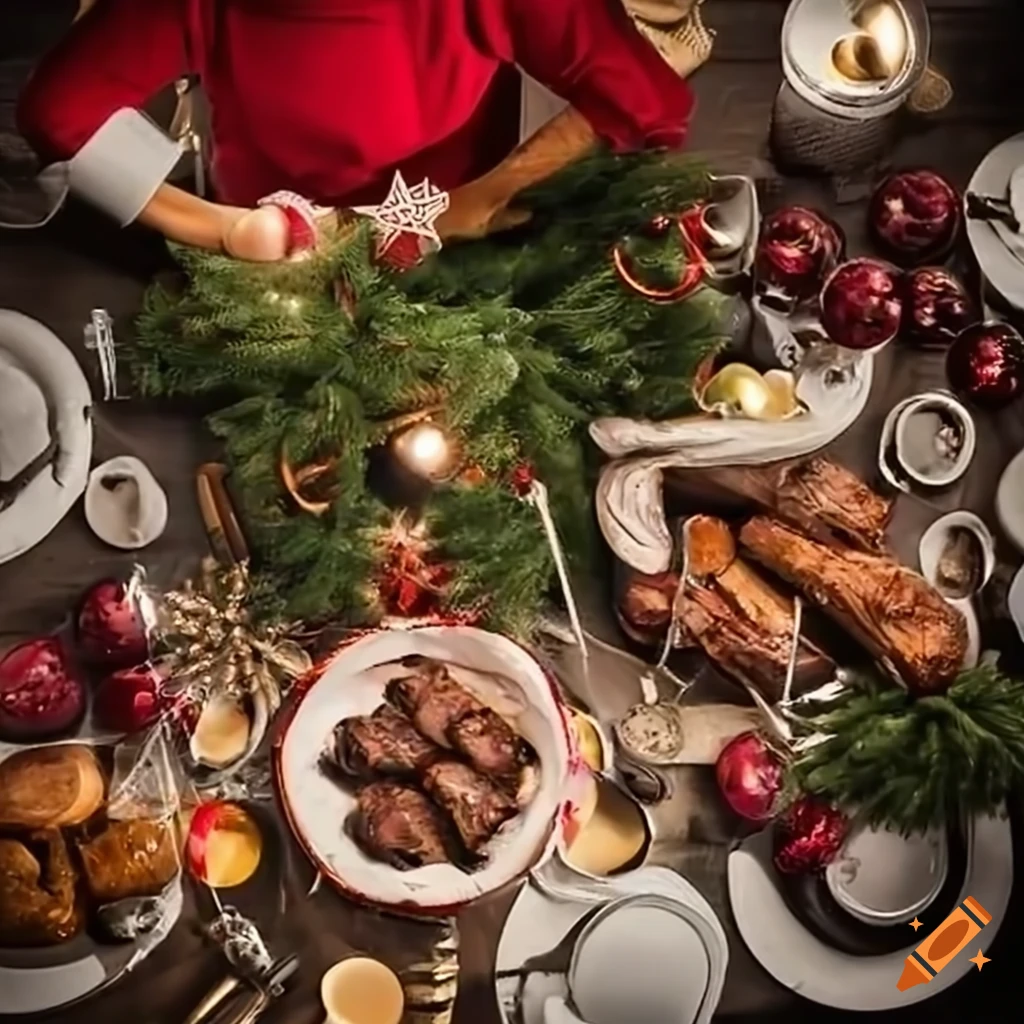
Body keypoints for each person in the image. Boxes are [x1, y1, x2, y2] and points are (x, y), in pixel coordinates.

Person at [16, 0, 696, 261]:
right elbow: (58, 114)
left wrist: (482, 199)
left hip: (446, 248)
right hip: (266, 252)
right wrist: (218, 228)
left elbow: (644, 102)